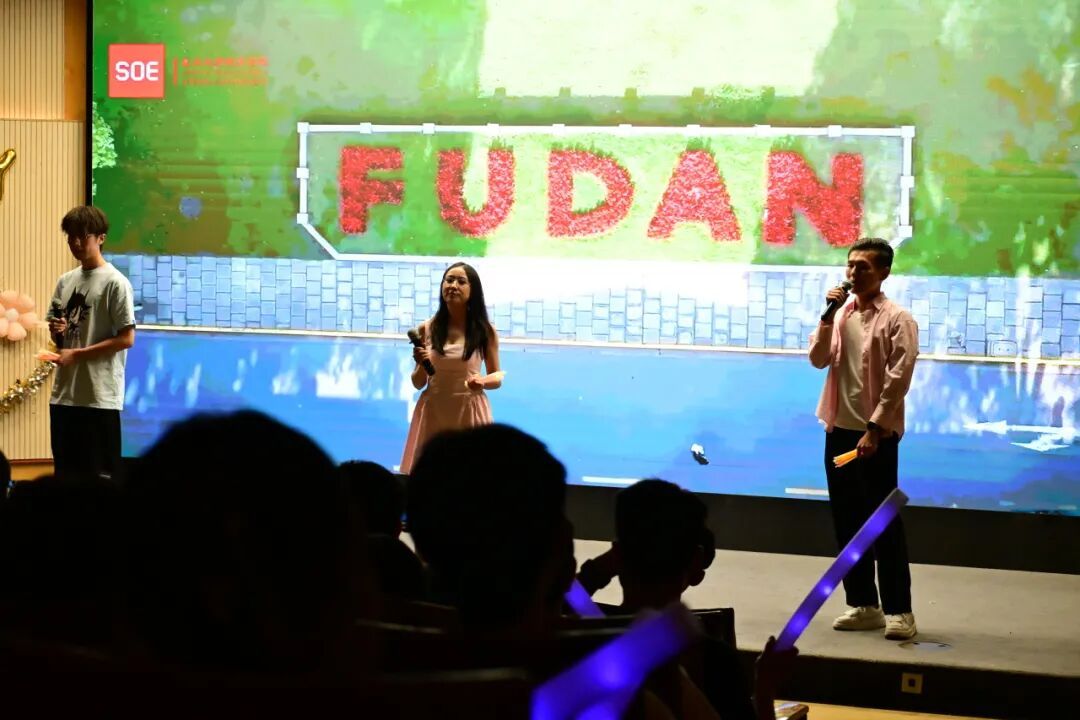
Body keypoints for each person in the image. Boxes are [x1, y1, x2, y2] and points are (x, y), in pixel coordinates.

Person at [578, 480, 796, 720]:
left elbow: (565, 596)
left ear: (616, 554)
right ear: (696, 561)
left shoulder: (584, 637)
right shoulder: (714, 662)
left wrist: (598, 570)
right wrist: (764, 690)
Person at [809, 237, 919, 640]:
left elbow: (898, 379)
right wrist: (826, 318)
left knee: (882, 524)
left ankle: (899, 611)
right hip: (838, 431)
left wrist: (874, 429)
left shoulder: (898, 319)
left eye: (864, 267)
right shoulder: (840, 314)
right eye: (851, 265)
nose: (853, 273)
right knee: (847, 523)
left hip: (876, 436)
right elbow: (818, 359)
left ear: (884, 272)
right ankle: (863, 604)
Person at [46, 206, 135, 480]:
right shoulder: (65, 281)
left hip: (98, 398)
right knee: (65, 478)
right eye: (70, 237)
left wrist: (78, 354)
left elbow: (127, 338)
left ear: (100, 238)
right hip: (64, 396)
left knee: (99, 482)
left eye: (82, 236)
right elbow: (59, 337)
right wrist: (57, 332)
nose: (75, 243)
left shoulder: (116, 282)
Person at [400, 262, 501, 474]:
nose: (453, 285)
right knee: (432, 476)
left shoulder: (485, 331)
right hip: (434, 410)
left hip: (469, 411)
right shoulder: (426, 328)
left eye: (461, 281)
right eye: (449, 280)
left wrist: (481, 381)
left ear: (473, 290)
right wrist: (421, 363)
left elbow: (496, 378)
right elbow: (418, 383)